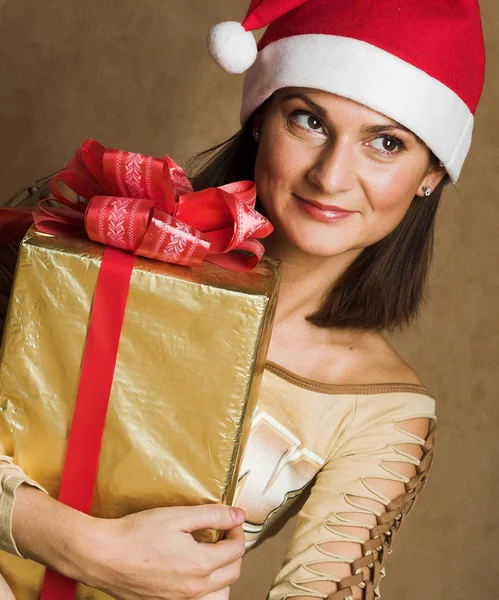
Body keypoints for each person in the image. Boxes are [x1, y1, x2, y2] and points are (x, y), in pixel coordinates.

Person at [0, 1, 486, 599]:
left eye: (385, 142)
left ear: (432, 173)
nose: (332, 176)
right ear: (260, 117)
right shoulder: (113, 236)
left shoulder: (384, 414)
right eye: (309, 121)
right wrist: (72, 543)